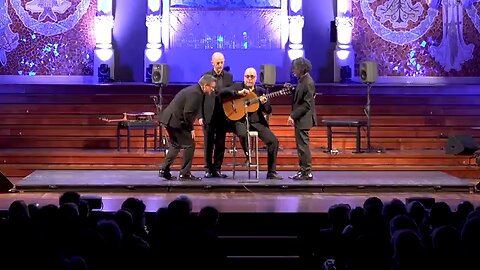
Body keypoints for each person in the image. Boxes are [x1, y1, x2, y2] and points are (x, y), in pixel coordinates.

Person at [220, 68, 282, 180]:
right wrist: (237, 93)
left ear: (256, 78)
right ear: (244, 77)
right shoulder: (237, 87)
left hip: (257, 122)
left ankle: (271, 172)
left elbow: (268, 110)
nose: (249, 79)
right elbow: (222, 93)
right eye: (247, 76)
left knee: (273, 141)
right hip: (240, 121)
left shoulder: (261, 91)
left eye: (252, 77)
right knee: (243, 134)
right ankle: (248, 156)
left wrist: (264, 103)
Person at [158, 74, 216, 181]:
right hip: (175, 120)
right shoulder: (196, 93)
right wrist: (191, 129)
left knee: (176, 145)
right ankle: (184, 173)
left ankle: (164, 170)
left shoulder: (195, 90)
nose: (213, 89)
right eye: (211, 87)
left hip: (170, 119)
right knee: (189, 144)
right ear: (205, 85)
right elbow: (188, 113)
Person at [199, 52, 234, 178]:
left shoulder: (229, 77)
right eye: (218, 63)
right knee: (208, 143)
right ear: (212, 62)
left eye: (222, 62)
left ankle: (217, 168)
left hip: (222, 114)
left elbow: (231, 95)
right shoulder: (205, 76)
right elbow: (200, 97)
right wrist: (200, 116)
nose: (220, 65)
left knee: (220, 143)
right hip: (208, 114)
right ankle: (208, 169)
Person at [288, 57, 317, 180]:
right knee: (300, 146)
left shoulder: (308, 82)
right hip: (300, 119)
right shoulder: (302, 80)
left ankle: (307, 171)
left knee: (303, 146)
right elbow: (300, 96)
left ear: (301, 68)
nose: (294, 70)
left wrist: (292, 116)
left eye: (295, 68)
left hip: (304, 119)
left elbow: (307, 104)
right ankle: (302, 170)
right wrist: (292, 90)